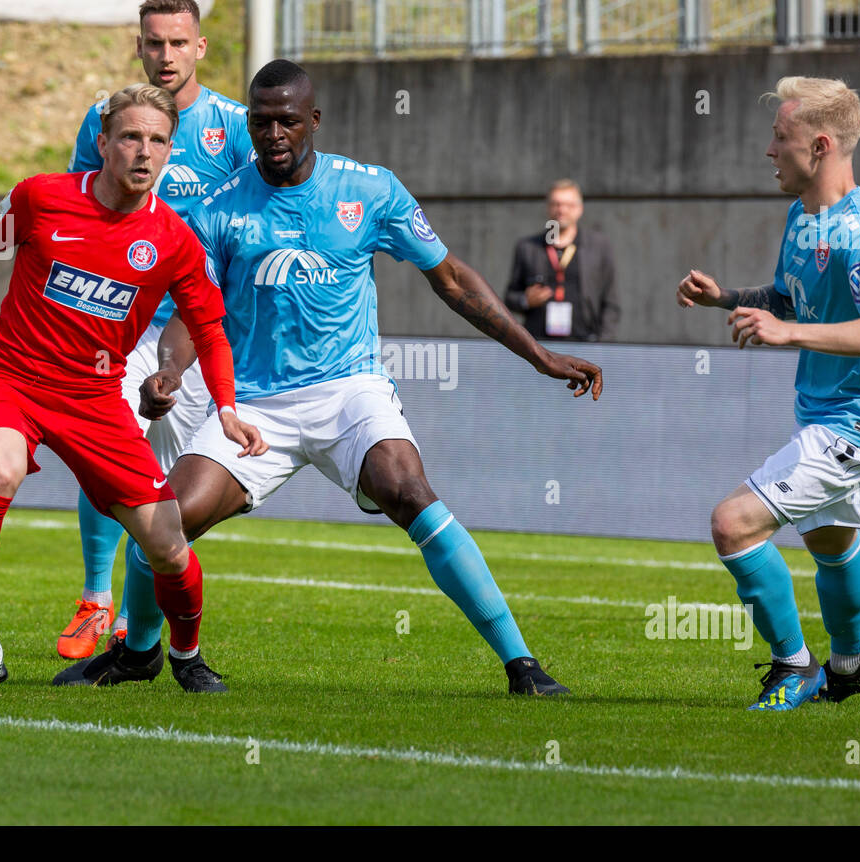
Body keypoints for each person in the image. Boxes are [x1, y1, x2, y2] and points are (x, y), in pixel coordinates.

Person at [54, 60, 603, 697]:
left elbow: (450, 279)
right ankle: (140, 651)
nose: (274, 134)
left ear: (312, 120)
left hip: (350, 390)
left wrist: (537, 354)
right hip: (257, 405)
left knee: (407, 490)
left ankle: (521, 665)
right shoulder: (218, 207)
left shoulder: (368, 190)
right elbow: (193, 311)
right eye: (261, 122)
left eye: (287, 120)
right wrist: (169, 373)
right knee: (163, 518)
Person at [0, 85, 265, 692]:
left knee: (167, 545)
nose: (144, 151)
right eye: (131, 137)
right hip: (11, 376)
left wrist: (228, 408)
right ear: (102, 143)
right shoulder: (43, 196)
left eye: (158, 140)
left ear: (169, 151)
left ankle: (184, 657)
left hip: (94, 398)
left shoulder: (174, 241)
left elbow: (209, 329)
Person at [677, 76, 860, 711]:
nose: (768, 150)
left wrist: (790, 334)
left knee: (732, 524)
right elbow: (789, 298)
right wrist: (728, 298)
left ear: (818, 145)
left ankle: (795, 668)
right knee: (831, 543)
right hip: (829, 411)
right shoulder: (803, 215)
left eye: (778, 138)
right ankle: (849, 666)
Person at [59, 0, 253, 660]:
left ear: (199, 46)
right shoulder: (106, 118)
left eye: (178, 42)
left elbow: (253, 230)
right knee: (103, 445)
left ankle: (143, 639)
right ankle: (94, 598)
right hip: (117, 322)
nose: (164, 54)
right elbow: (77, 207)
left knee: (163, 494)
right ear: (138, 45)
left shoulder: (236, 128)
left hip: (194, 335)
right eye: (153, 42)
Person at [504, 180, 620, 342]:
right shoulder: (528, 247)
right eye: (556, 204)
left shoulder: (598, 247)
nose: (562, 210)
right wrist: (525, 300)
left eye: (568, 205)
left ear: (580, 209)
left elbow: (610, 302)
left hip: (585, 341)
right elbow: (510, 297)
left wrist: (603, 343)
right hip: (539, 344)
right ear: (548, 207)